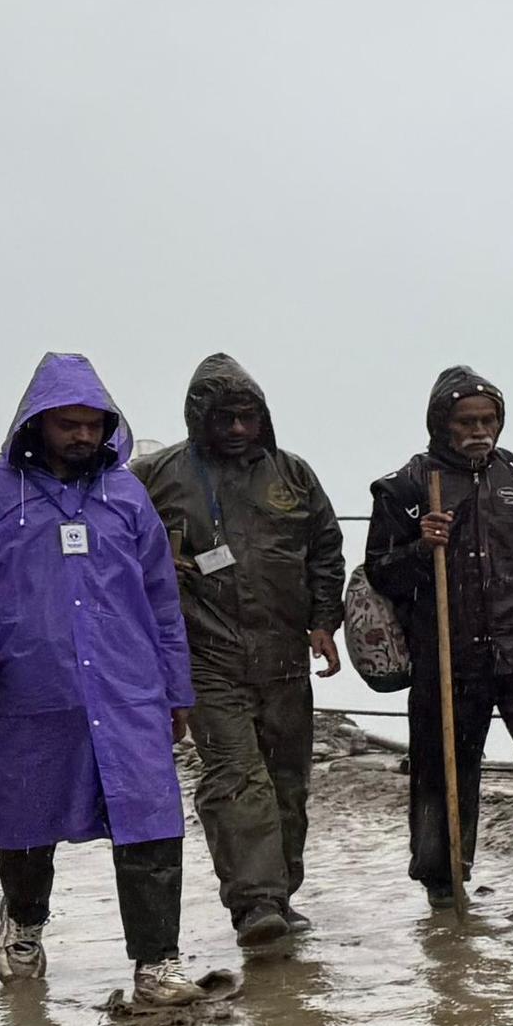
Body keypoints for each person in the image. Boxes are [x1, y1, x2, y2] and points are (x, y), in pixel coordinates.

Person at [0, 355, 210, 1007]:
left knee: (150, 821)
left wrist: (176, 690)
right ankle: (25, 924)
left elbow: (160, 599)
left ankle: (157, 964)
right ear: (36, 423)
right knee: (29, 822)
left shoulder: (127, 496)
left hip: (127, 692)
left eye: (93, 425)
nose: (83, 437)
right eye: (68, 424)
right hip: (29, 693)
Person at [137, 354, 343, 951]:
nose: (235, 429)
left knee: (287, 782)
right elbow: (114, 546)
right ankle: (255, 903)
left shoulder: (293, 474)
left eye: (246, 417)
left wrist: (325, 620)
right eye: (223, 418)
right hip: (206, 656)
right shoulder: (157, 476)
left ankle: (281, 893)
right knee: (235, 777)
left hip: (284, 655)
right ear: (200, 417)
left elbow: (325, 547)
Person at [364, 367, 513, 903]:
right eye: (467, 421)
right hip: (448, 656)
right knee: (444, 771)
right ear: (442, 423)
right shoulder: (407, 487)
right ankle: (444, 879)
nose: (480, 430)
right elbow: (380, 573)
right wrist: (420, 548)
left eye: (489, 420)